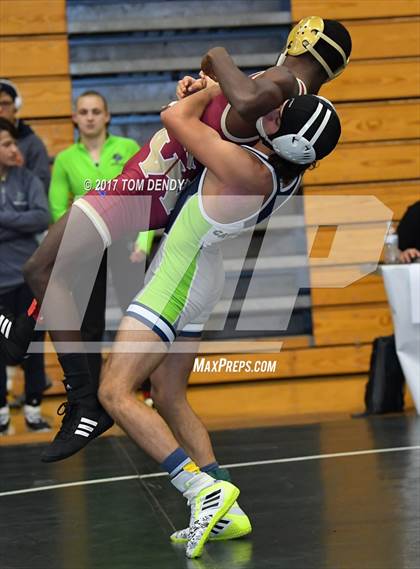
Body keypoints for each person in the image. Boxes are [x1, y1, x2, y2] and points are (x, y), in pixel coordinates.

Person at [0, 17, 351, 459]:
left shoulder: (283, 83)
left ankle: (85, 402)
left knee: (43, 266)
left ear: (303, 38)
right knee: (56, 271)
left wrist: (217, 59)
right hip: (163, 178)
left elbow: (239, 101)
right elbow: (233, 116)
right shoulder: (291, 101)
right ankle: (24, 332)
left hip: (152, 180)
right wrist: (206, 89)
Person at [96, 90, 341, 558]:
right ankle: (226, 510)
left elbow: (173, 117)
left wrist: (207, 87)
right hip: (202, 273)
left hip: (178, 277)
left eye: (277, 114)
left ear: (286, 136)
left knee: (115, 392)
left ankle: (199, 491)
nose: (265, 109)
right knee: (168, 395)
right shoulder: (277, 169)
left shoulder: (244, 167)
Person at [49, 90, 142, 387]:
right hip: (87, 247)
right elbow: (56, 209)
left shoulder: (128, 147)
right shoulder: (65, 159)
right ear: (75, 118)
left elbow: (150, 195)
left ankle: (146, 387)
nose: (90, 117)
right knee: (89, 324)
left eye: (96, 111)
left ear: (107, 116)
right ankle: (89, 396)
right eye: (84, 112)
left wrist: (144, 243)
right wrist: (71, 248)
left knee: (139, 317)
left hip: (126, 243)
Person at [0, 118, 51, 434]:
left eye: (13, 142)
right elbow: (28, 220)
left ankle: (33, 409)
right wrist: (19, 223)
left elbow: (41, 217)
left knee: (33, 345)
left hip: (26, 281)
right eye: (6, 143)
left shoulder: (27, 179)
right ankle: (2, 415)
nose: (14, 149)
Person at [0, 79, 50, 193]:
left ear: (16, 106)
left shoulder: (33, 144)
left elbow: (41, 189)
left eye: (5, 103)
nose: (0, 109)